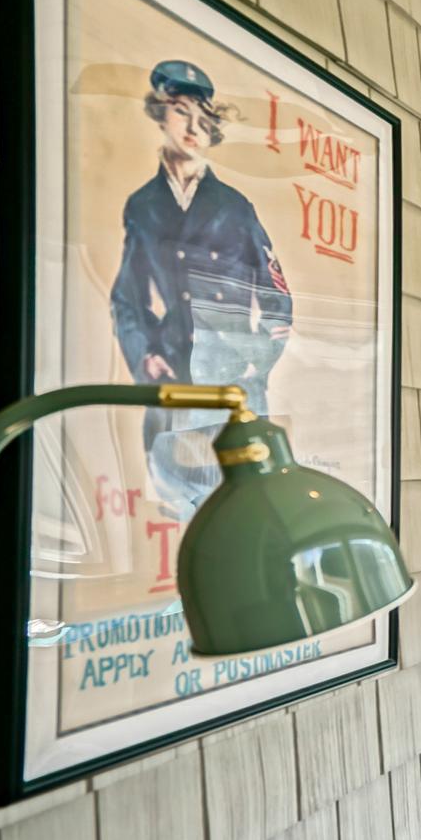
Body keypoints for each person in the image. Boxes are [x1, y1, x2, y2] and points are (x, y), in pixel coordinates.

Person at [109, 60, 294, 517]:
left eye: (203, 117)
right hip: (174, 379)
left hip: (232, 381)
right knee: (178, 513)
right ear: (160, 115)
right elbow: (127, 296)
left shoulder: (234, 206)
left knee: (242, 511)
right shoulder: (143, 205)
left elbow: (276, 295)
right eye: (180, 111)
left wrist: (254, 360)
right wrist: (146, 354)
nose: (192, 127)